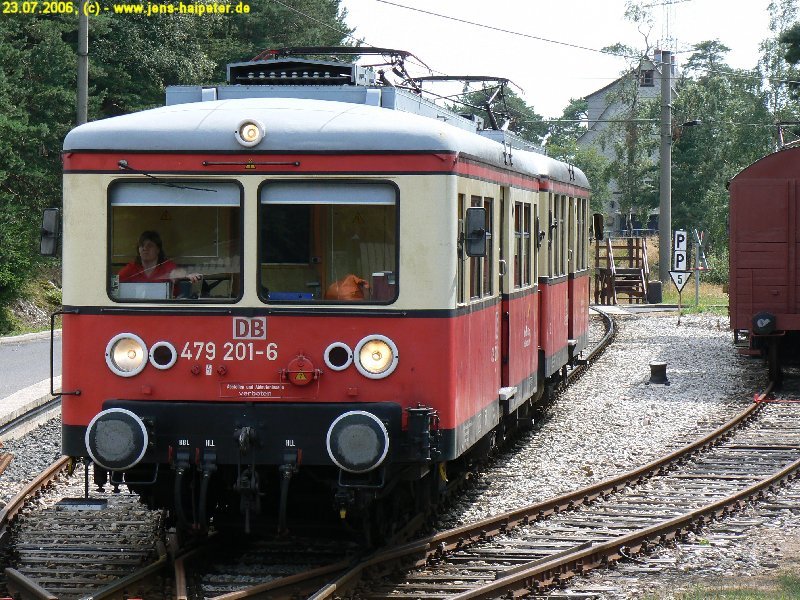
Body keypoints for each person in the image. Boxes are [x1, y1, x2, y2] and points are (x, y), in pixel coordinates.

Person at [118, 231, 202, 284]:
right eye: (141, 246)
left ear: (158, 250)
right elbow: (115, 283)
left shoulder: (166, 265)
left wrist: (187, 275)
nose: (144, 248)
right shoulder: (132, 267)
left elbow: (175, 272)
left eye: (149, 246)